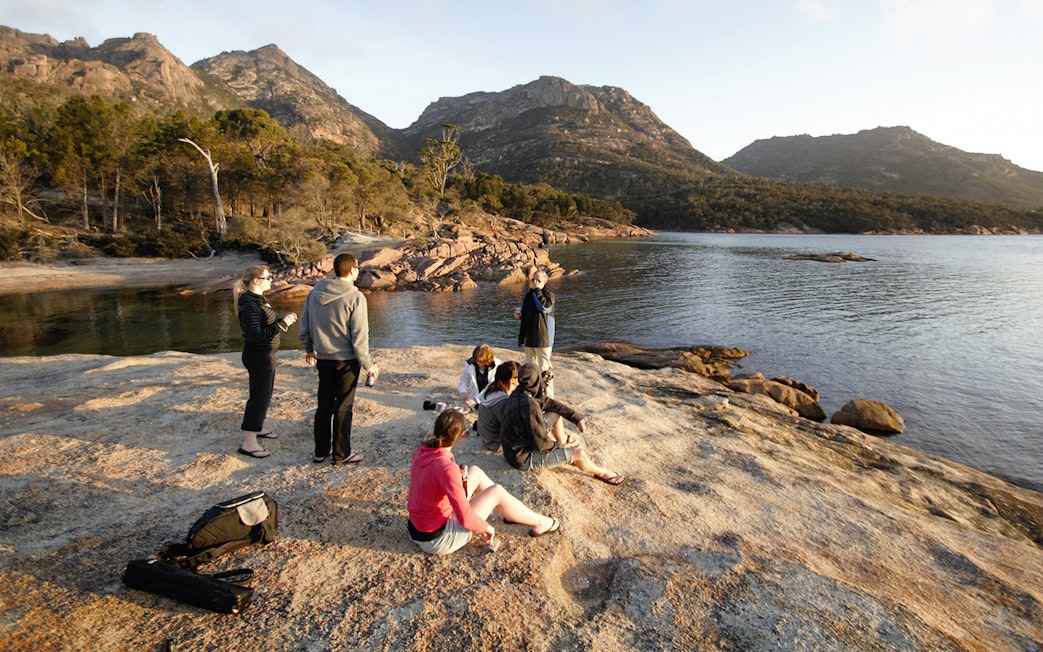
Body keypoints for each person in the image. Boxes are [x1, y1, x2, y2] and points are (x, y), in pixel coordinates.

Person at [407, 409, 560, 555]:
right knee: (497, 491)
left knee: (475, 472)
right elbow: (465, 518)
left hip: (417, 528)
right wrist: (486, 528)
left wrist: (459, 478)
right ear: (460, 435)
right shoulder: (447, 468)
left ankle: (509, 511)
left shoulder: (423, 451)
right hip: (437, 539)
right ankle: (540, 523)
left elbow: (432, 483)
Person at [299, 253, 379, 465]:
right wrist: (369, 365)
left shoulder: (315, 292)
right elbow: (359, 338)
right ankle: (342, 454)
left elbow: (304, 327)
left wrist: (309, 349)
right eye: (357, 268)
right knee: (343, 407)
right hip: (346, 361)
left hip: (323, 358)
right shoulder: (355, 297)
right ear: (352, 270)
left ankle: (320, 451)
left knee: (324, 405)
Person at [500, 363, 625, 485]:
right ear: (536, 380)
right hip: (523, 458)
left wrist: (577, 418)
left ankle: (566, 448)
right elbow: (542, 445)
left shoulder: (520, 393)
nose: (546, 383)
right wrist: (560, 447)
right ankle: (602, 473)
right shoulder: (530, 407)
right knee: (579, 453)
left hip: (516, 447)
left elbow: (552, 404)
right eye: (542, 379)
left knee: (555, 413)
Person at [234, 265, 297, 459]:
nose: (272, 279)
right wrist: (282, 324)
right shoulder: (250, 304)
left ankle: (257, 427)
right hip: (259, 356)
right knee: (259, 396)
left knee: (264, 393)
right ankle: (249, 442)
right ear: (256, 281)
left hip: (265, 354)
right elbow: (254, 335)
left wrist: (280, 320)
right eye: (268, 277)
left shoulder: (258, 300)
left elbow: (263, 324)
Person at [515, 267, 555, 397]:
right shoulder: (530, 294)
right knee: (530, 367)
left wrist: (537, 290)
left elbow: (544, 307)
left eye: (538, 280)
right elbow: (525, 308)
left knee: (545, 370)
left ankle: (548, 397)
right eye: (533, 280)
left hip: (542, 337)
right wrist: (519, 313)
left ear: (544, 282)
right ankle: (533, 393)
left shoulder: (548, 295)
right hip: (529, 336)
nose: (535, 282)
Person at [474, 361, 520, 451]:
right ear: (512, 380)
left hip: (484, 432)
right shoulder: (502, 401)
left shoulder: (492, 386)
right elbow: (510, 426)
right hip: (493, 440)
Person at [457, 343, 501, 410]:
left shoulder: (496, 365)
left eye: (482, 362)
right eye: (477, 360)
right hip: (477, 394)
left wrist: (476, 399)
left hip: (492, 396)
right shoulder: (470, 364)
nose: (479, 363)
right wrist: (463, 391)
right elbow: (464, 380)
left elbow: (491, 386)